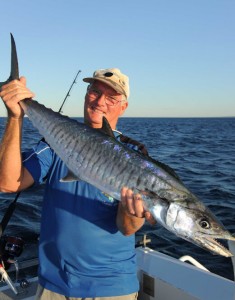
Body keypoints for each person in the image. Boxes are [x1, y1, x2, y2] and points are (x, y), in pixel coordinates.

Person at [0, 68, 154, 299]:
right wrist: (15, 117)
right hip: (53, 284)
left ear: (123, 107)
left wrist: (135, 213)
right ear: (85, 95)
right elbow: (8, 184)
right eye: (94, 91)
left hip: (111, 287)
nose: (100, 101)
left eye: (112, 97)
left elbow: (127, 227)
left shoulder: (134, 157)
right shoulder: (54, 144)